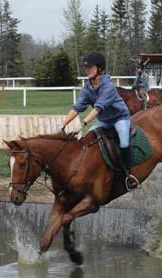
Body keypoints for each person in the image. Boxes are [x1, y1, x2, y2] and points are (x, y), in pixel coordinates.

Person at [61, 52, 138, 190]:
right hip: (104, 120)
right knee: (86, 141)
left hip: (119, 118)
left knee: (124, 142)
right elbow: (77, 107)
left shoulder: (108, 87)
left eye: (91, 67)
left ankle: (128, 175)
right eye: (86, 67)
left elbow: (97, 109)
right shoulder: (87, 87)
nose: (87, 70)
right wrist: (63, 124)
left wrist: (83, 124)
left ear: (100, 68)